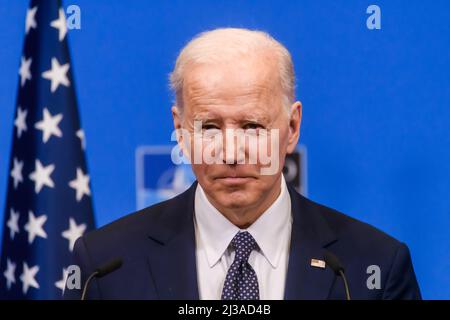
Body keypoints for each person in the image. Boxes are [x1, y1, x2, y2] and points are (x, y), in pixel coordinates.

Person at [64, 28, 421, 300]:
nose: (231, 152)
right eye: (209, 127)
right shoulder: (104, 266)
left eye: (252, 126)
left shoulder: (373, 267)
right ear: (180, 130)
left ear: (292, 128)